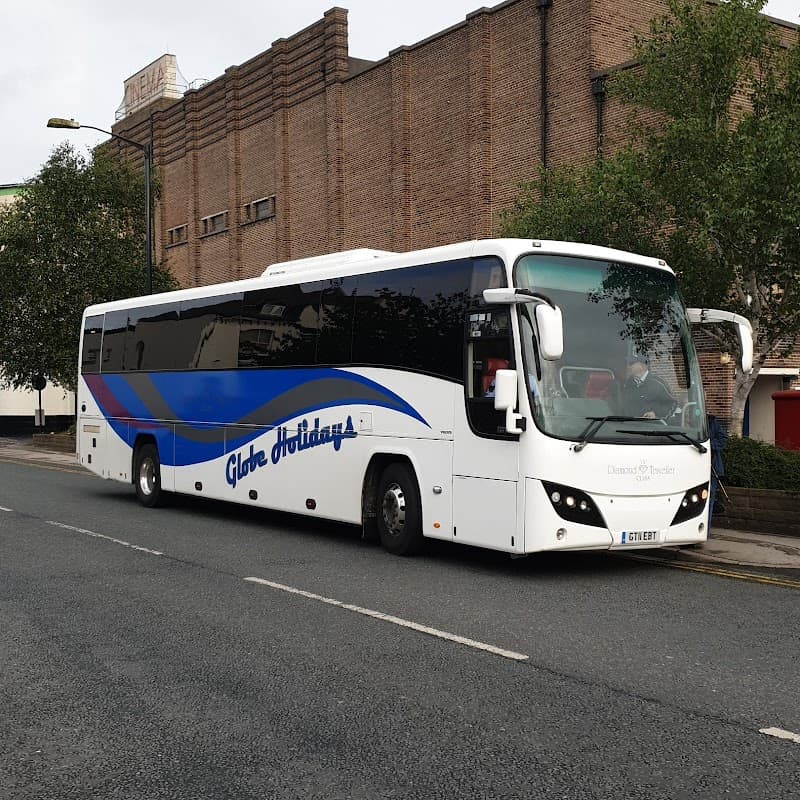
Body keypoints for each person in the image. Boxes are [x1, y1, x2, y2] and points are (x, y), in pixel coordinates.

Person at [621, 354, 676, 419]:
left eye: (631, 363)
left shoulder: (658, 383)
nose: (628, 366)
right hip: (629, 426)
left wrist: (656, 414)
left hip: (652, 426)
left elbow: (672, 404)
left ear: (642, 365)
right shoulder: (627, 384)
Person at [707, 413, 728, 529]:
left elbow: (723, 439)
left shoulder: (712, 423)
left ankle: (706, 530)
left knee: (709, 499)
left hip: (712, 467)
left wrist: (708, 445)